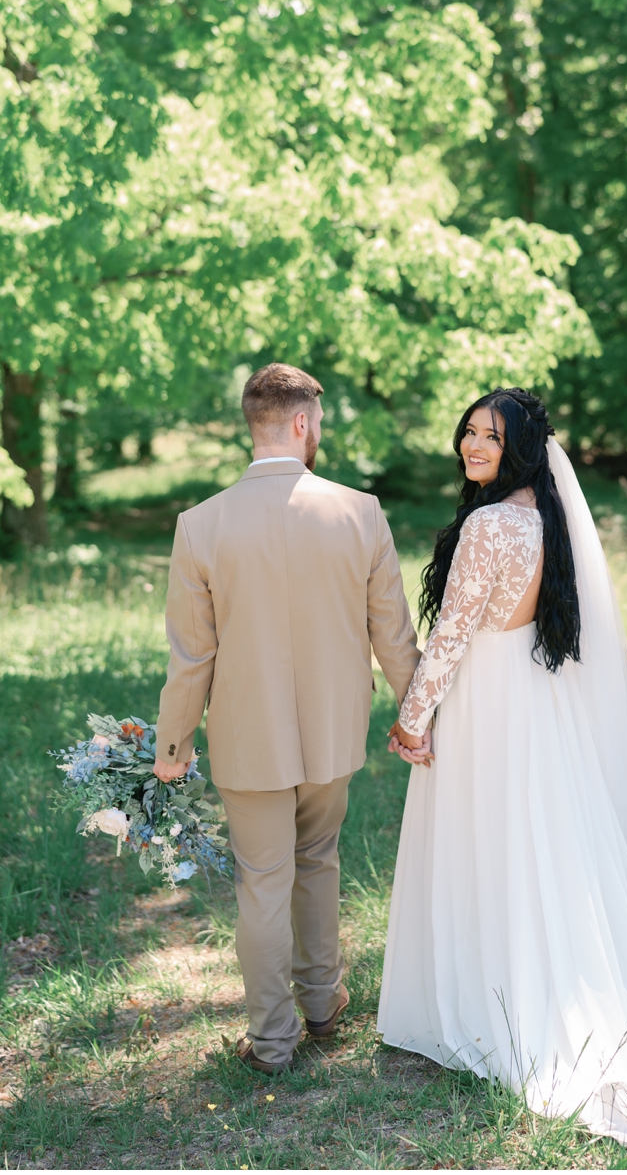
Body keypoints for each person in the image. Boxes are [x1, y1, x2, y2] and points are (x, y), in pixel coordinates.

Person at [378, 387, 627, 1151]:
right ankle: (525, 990)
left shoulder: (490, 523)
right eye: (468, 432)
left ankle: (490, 1006)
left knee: (484, 849)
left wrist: (412, 718)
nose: (472, 446)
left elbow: (454, 633)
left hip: (485, 705)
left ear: (521, 447)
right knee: (537, 853)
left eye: (490, 438)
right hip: (531, 705)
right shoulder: (547, 521)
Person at [153, 362, 420, 1072]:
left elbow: (191, 655)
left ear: (255, 422)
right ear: (302, 422)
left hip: (248, 736)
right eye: (319, 423)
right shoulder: (360, 510)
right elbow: (392, 633)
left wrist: (172, 744)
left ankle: (271, 1039)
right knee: (318, 860)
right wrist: (420, 713)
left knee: (262, 879)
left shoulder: (199, 524)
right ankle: (324, 1004)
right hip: (335, 732)